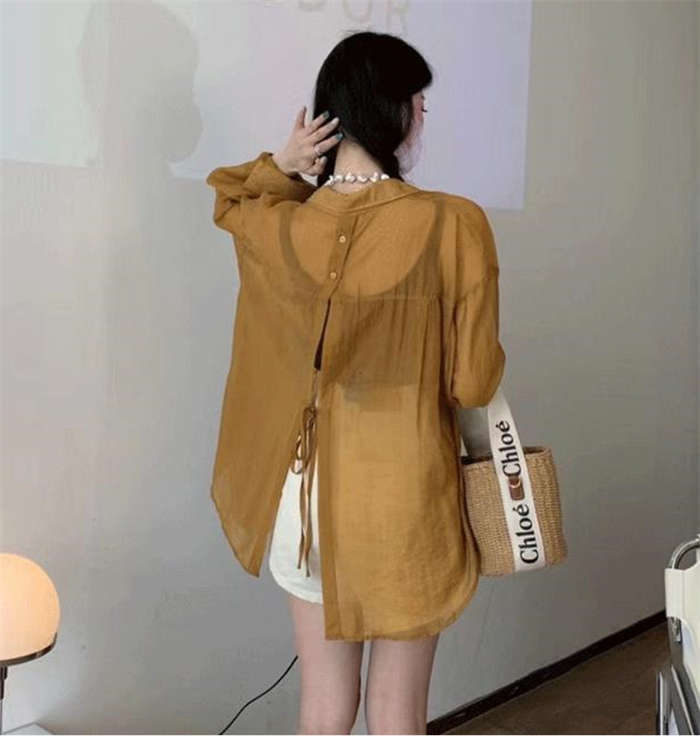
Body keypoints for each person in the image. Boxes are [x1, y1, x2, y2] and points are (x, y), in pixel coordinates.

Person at [206, 30, 505, 736]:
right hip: (402, 500)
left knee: (322, 706)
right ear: (392, 110)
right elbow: (472, 383)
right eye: (419, 102)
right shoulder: (454, 224)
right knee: (397, 714)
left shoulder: (280, 226)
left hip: (300, 507)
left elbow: (229, 199)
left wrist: (283, 165)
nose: (423, 116)